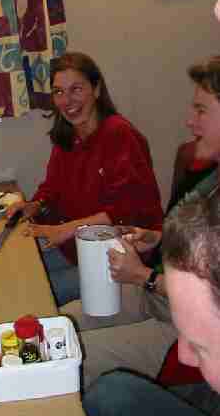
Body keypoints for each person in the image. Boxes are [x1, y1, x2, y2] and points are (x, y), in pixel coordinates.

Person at [30, 190, 220, 416]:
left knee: (78, 361)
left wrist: (145, 276)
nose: (186, 355)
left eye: (201, 347)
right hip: (157, 298)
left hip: (158, 297)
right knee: (69, 341)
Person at [62, 56, 220, 388]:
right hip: (159, 297)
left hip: (188, 326)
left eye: (201, 110)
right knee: (58, 325)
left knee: (69, 357)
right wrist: (155, 238)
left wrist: (143, 277)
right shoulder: (209, 174)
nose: (189, 120)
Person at [6, 52, 163, 306]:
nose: (67, 101)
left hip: (120, 256)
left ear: (96, 89)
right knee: (16, 270)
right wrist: (34, 205)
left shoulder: (119, 134)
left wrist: (65, 230)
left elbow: (125, 211)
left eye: (76, 89)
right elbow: (52, 188)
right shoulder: (68, 135)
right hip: (75, 247)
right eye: (58, 92)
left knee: (30, 295)